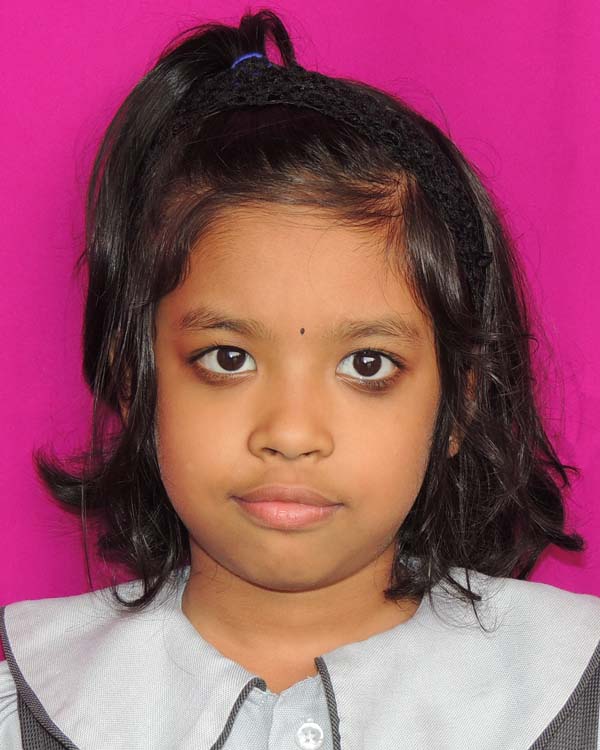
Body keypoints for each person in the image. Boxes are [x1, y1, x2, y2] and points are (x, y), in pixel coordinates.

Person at [1, 8, 598, 749]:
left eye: (367, 365)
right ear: (135, 381)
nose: (289, 433)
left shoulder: (571, 691)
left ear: (459, 402)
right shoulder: (32, 706)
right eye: (228, 358)